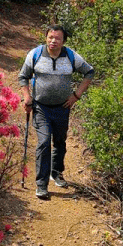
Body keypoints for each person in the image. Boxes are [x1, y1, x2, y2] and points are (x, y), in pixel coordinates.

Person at [17, 25, 94, 199]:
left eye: (57, 38)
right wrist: (27, 96)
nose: (53, 41)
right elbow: (23, 76)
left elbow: (89, 72)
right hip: (41, 107)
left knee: (60, 141)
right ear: (46, 37)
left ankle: (56, 172)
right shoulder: (35, 54)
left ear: (63, 41)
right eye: (50, 37)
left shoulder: (71, 56)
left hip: (62, 107)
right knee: (44, 142)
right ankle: (41, 184)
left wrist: (76, 95)